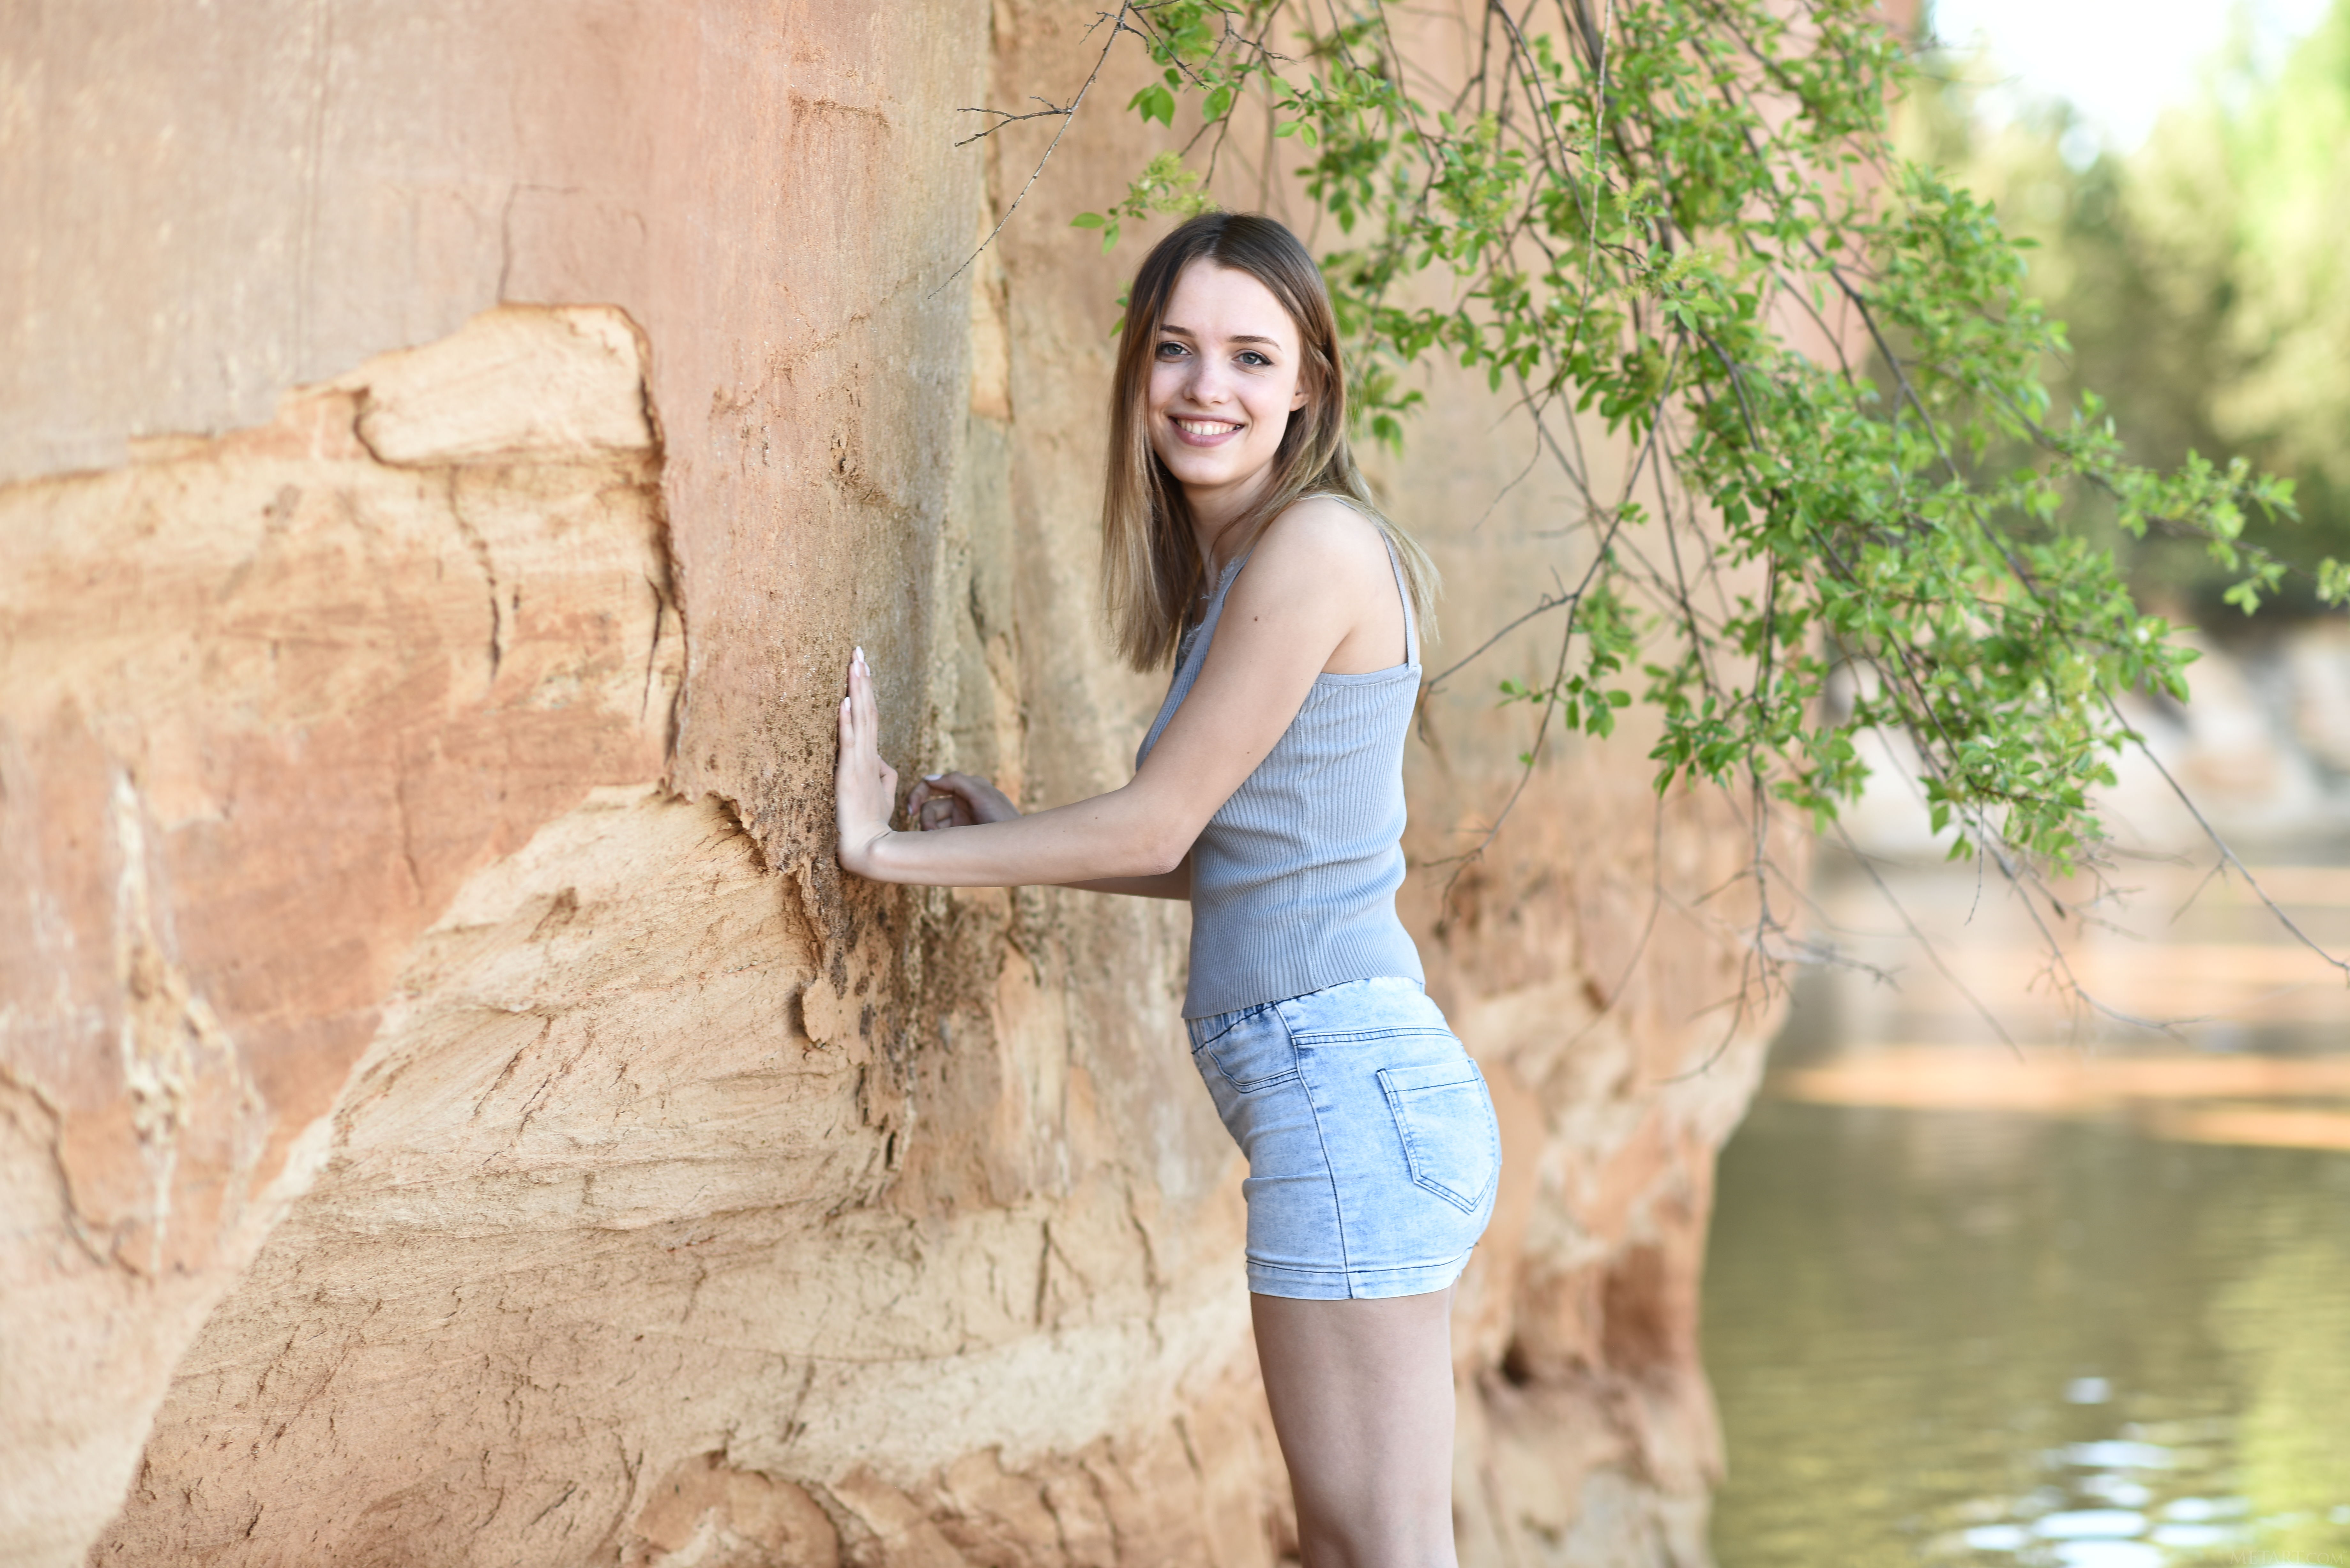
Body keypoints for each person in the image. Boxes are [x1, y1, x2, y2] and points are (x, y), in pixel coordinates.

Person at [833, 210, 1499, 1568]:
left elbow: (1155, 817)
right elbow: (1227, 857)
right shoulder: (1244, 567)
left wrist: (886, 850)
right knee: (1373, 1549)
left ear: (1311, 381)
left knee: (1371, 1553)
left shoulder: (1314, 548)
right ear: (1137, 366)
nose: (1210, 389)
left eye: (1253, 358)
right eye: (1178, 351)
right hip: (1358, 1093)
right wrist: (1012, 833)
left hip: (1346, 1095)